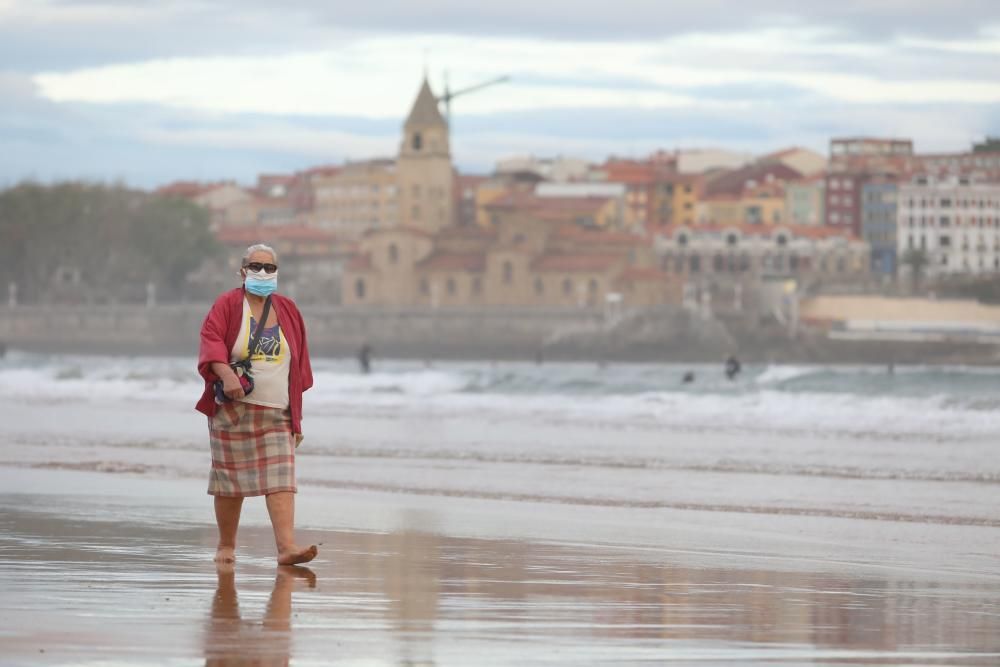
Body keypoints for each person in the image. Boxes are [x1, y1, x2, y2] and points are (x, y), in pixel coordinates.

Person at [196, 243, 317, 566]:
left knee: (281, 479)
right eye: (256, 266)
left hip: (276, 411)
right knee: (229, 482)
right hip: (233, 410)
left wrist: (295, 413)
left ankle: (286, 548)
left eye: (269, 268)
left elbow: (299, 362)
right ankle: (226, 546)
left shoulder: (288, 309)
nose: (263, 273)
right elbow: (211, 341)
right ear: (242, 270)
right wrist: (226, 373)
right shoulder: (227, 304)